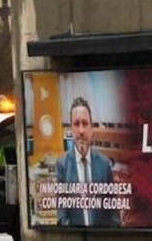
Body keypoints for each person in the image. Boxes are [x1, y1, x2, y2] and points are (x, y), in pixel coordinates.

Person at [55, 96, 120, 227]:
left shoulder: (104, 164)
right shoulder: (62, 165)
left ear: (92, 128)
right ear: (71, 129)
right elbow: (62, 217)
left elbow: (114, 215)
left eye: (85, 123)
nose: (81, 131)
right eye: (76, 124)